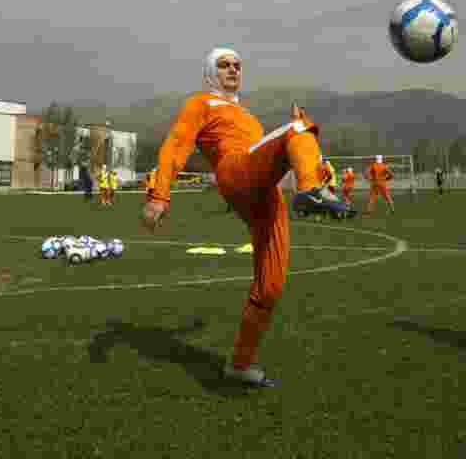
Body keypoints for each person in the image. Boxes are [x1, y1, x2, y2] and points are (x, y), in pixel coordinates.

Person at [141, 47, 345, 387]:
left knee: (271, 286)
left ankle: (240, 364)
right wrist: (159, 194)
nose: (233, 69)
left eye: (237, 65)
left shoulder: (248, 116)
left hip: (266, 192)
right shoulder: (201, 103)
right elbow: (177, 144)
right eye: (224, 65)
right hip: (235, 172)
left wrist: (308, 156)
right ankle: (311, 192)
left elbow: (273, 155)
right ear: (209, 73)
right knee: (298, 127)